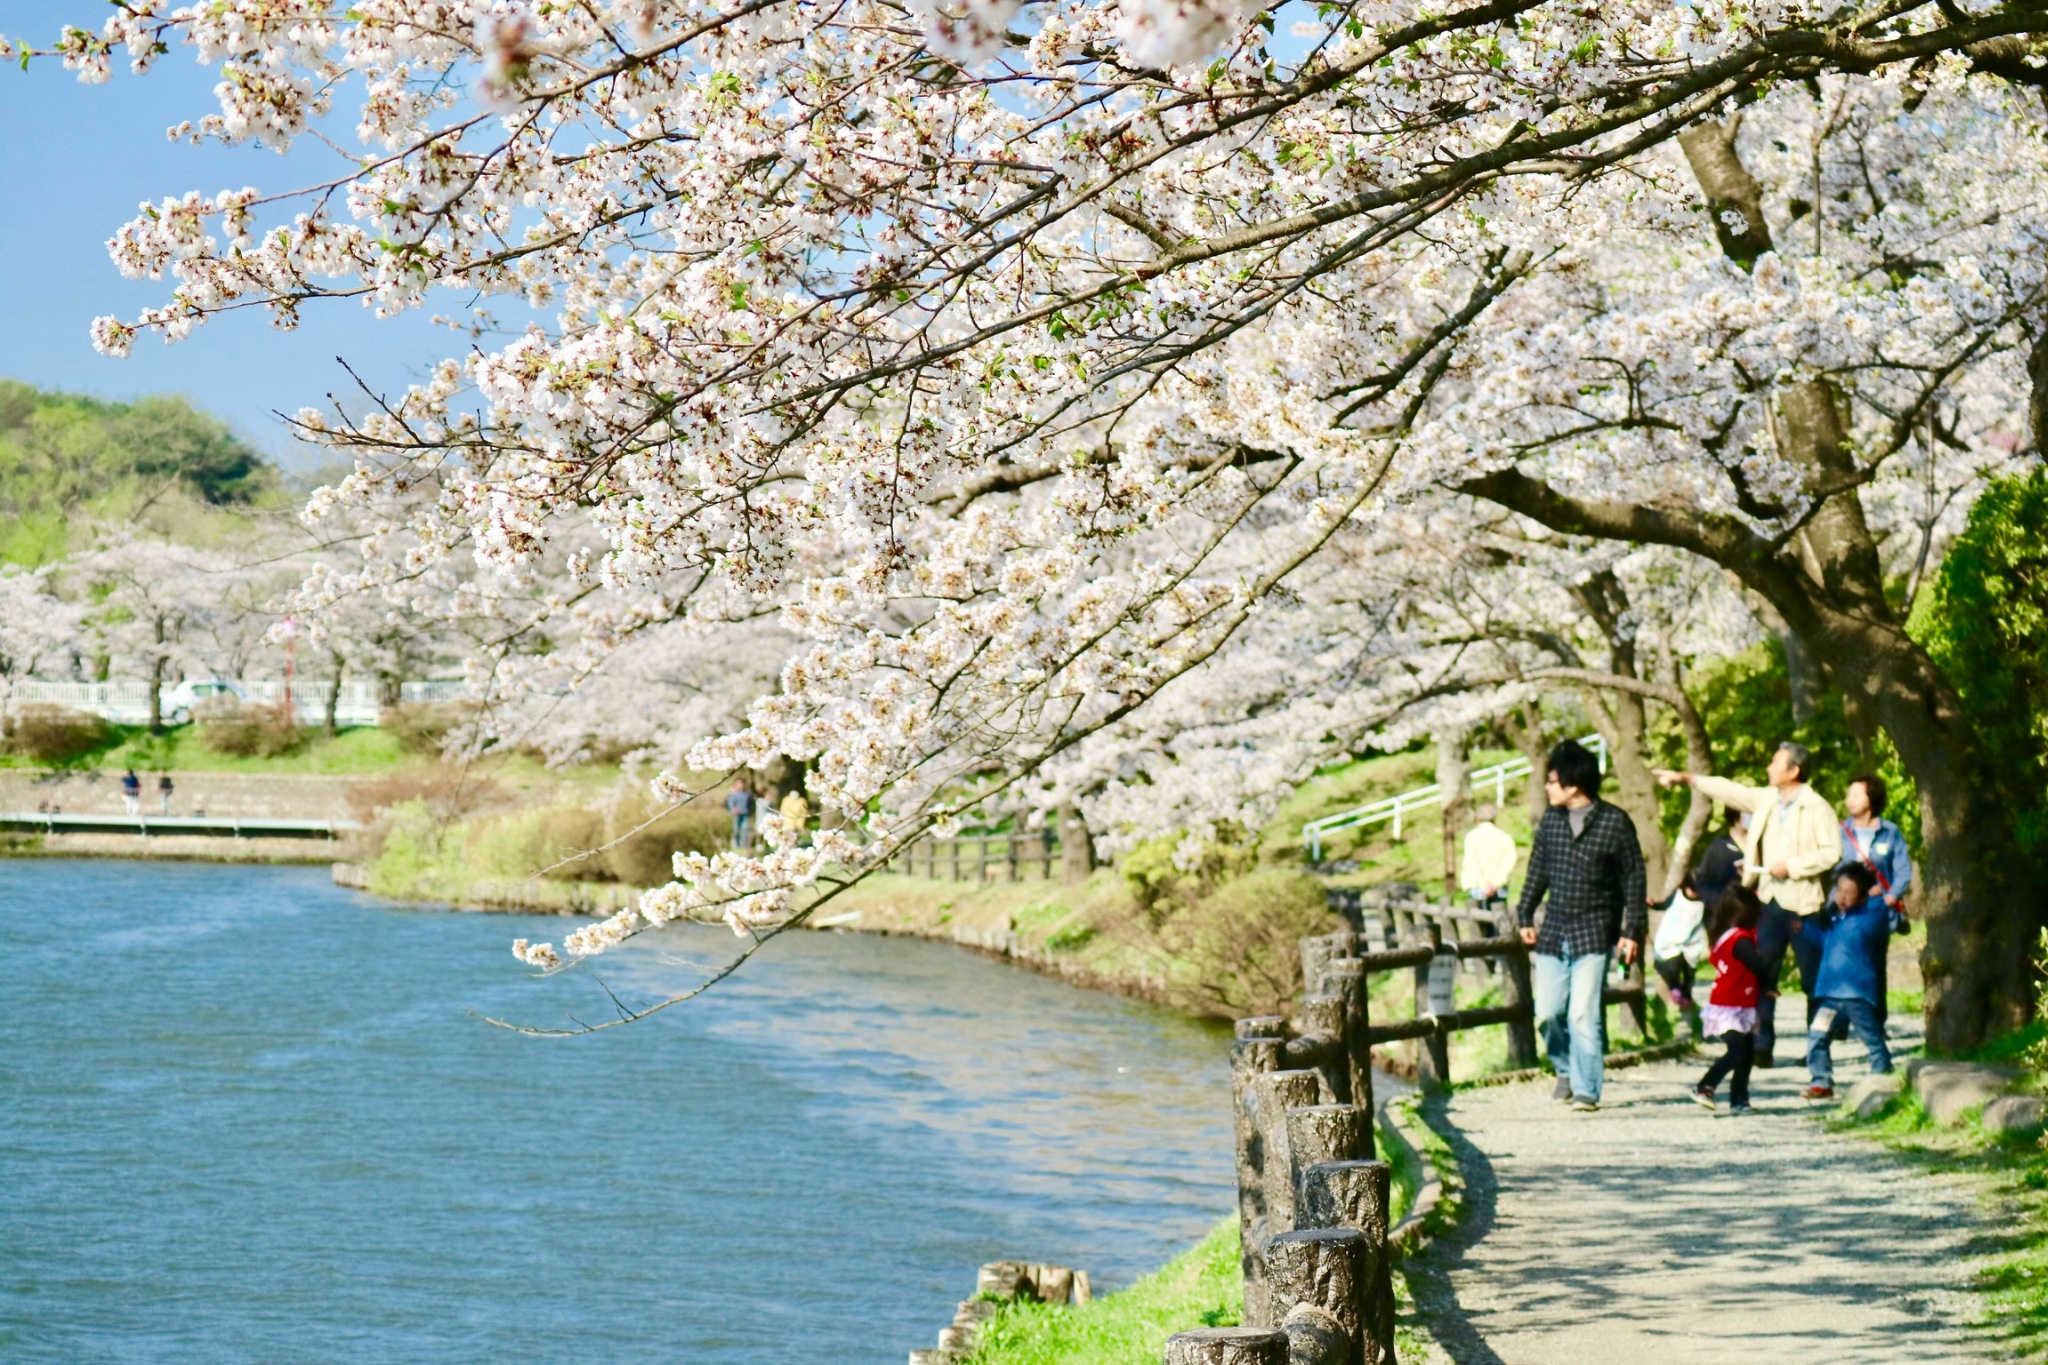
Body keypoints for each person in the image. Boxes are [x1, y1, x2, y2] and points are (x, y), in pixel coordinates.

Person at [1655, 742, 1839, 1067]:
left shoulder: (1816, 807)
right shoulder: (1767, 798)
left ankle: (1817, 1051)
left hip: (1804, 904)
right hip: (1767, 900)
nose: (1769, 766)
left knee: (1814, 981)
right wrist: (1686, 778)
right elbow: (1728, 790)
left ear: (1794, 770)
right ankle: (1761, 1046)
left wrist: (1792, 866)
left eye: (1775, 761)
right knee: (1760, 973)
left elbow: (1830, 852)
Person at [1514, 739, 1647, 1113]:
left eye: (1553, 780)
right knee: (1548, 1013)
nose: (1547, 787)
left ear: (1574, 784)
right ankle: (1565, 1070)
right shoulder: (1551, 822)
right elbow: (1537, 870)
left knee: (1583, 1014)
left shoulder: (1615, 823)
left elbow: (1634, 879)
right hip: (1554, 930)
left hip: (1595, 930)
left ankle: (1587, 1088)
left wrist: (1632, 930)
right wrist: (1524, 913)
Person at [1802, 864, 1897, 1100]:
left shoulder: (1871, 916)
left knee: (1871, 1036)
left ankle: (1882, 1072)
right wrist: (1802, 928)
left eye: (1850, 892)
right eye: (1839, 890)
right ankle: (1821, 1080)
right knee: (1818, 1034)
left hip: (1856, 992)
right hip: (1832, 993)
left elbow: (1881, 917)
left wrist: (1876, 898)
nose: (1842, 897)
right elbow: (1825, 941)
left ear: (1862, 895)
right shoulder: (1836, 919)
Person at [1840, 772, 1912, 1025]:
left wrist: (1892, 895)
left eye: (1856, 794)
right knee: (1844, 963)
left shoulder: (1890, 832)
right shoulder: (1839, 832)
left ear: (1872, 798)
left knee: (1874, 965)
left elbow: (1903, 869)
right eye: (1848, 794)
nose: (1850, 799)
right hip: (1845, 912)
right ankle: (1841, 1023)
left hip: (1877, 911)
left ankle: (1875, 1021)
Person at [1690, 885, 1769, 1115]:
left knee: (1746, 1054)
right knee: (1738, 1053)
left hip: (1739, 1005)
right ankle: (1705, 1086)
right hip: (1729, 1007)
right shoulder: (1739, 939)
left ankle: (1739, 1099)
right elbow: (1757, 965)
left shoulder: (1725, 936)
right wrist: (1769, 979)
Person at [1650, 872, 1710, 1012]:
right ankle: (1675, 989)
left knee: (1690, 972)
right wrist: (1654, 904)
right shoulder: (1677, 895)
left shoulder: (1703, 903)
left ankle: (1687, 997)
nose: (1694, 895)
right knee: (1672, 963)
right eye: (1692, 891)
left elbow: (1708, 921)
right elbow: (1664, 904)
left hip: (1692, 940)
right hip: (1673, 938)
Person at [1458, 802, 1518, 921]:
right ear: (1494, 818)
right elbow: (1509, 862)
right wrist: (1496, 882)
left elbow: (1471, 862)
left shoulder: (1471, 837)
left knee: (1480, 924)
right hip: (1498, 887)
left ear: (1478, 818)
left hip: (1477, 887)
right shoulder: (1504, 837)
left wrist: (1483, 884)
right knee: (1500, 921)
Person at [1691, 809, 1749, 911]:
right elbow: (1703, 883)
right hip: (1728, 916)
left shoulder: (1763, 845)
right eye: (1747, 812)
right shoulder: (1718, 848)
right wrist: (1723, 904)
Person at [725, 779, 755, 851]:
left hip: (745, 814)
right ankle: (738, 845)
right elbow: (729, 803)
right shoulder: (733, 794)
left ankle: (744, 845)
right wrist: (733, 809)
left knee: (745, 829)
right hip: (737, 815)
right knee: (736, 830)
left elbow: (751, 804)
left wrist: (750, 812)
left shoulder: (747, 794)